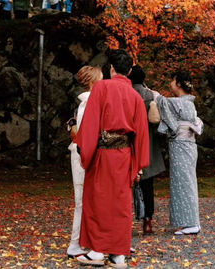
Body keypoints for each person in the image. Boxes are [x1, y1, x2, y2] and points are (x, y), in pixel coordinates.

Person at [75, 49, 149, 267]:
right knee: (121, 204)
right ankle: (118, 255)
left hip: (102, 154)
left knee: (97, 200)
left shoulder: (101, 88)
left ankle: (97, 251)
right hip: (125, 155)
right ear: (129, 70)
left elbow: (90, 126)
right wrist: (138, 165)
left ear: (112, 68)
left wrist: (85, 154)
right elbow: (141, 134)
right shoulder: (135, 96)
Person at [154, 70, 202, 236]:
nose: (171, 84)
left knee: (184, 182)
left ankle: (191, 223)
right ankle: (189, 221)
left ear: (179, 83)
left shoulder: (179, 103)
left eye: (173, 81)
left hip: (182, 145)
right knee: (185, 181)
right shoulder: (187, 103)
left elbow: (162, 103)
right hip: (186, 145)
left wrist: (154, 95)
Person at [66, 65, 103, 259]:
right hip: (83, 155)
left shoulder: (84, 103)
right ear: (92, 82)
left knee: (85, 200)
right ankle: (75, 243)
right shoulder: (88, 103)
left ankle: (83, 241)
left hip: (81, 152)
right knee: (82, 200)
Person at [129, 64, 165, 234]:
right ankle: (147, 221)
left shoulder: (125, 94)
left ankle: (123, 222)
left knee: (123, 185)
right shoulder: (150, 95)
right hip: (148, 144)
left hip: (128, 143)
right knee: (147, 185)